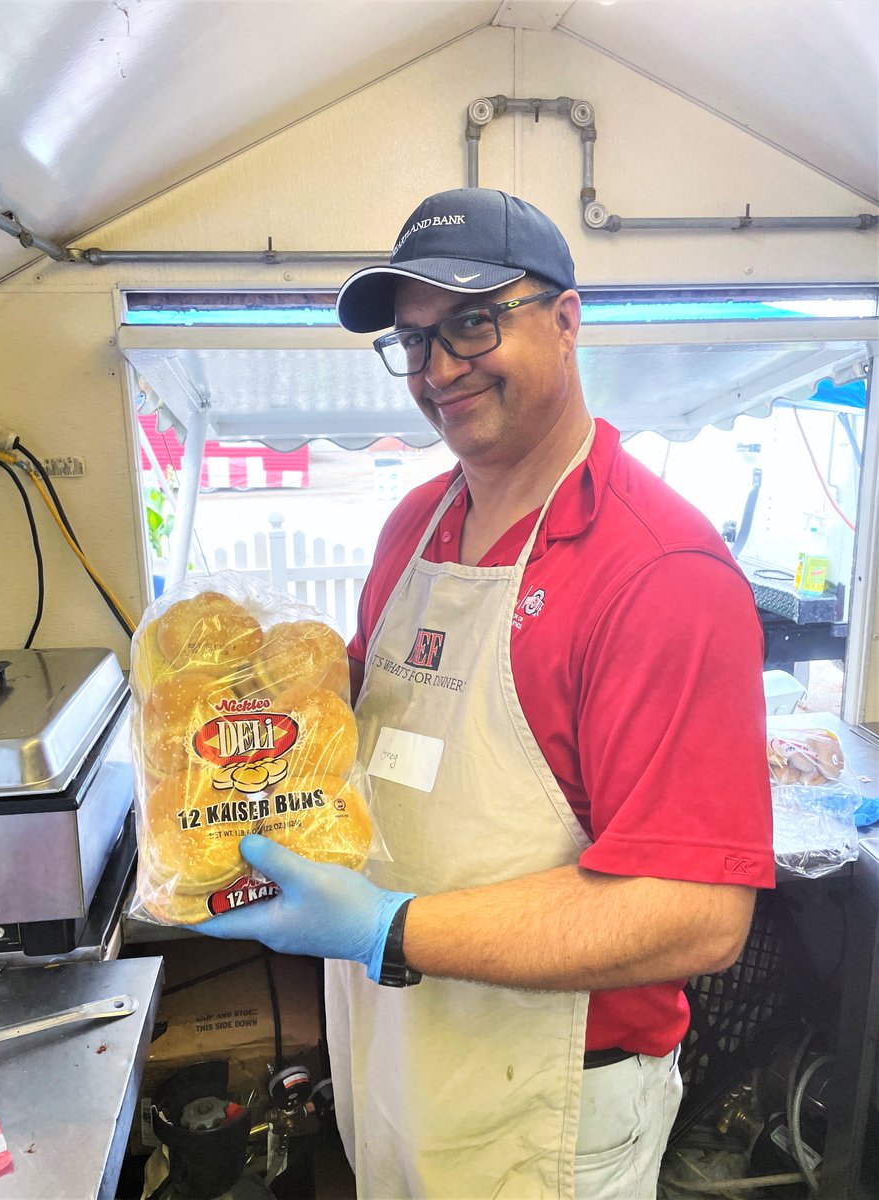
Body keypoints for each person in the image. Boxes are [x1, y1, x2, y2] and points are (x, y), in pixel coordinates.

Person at [197, 188, 775, 1198]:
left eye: (472, 322)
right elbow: (372, 736)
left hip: (547, 1087)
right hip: (395, 1041)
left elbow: (695, 914)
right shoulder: (413, 524)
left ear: (566, 319)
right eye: (414, 341)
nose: (438, 369)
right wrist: (255, 726)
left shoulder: (660, 571)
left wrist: (385, 926)